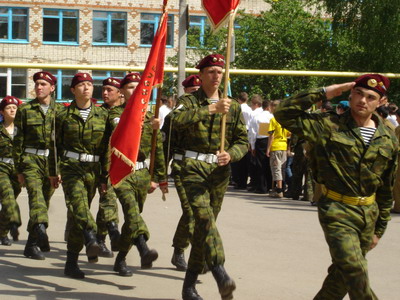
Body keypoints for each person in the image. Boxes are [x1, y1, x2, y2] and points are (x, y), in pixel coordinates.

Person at [275, 74, 398, 299]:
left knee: (341, 277)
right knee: (355, 270)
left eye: (371, 97)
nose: (363, 100)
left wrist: (379, 230)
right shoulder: (327, 125)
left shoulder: (388, 139)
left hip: (368, 215)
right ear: (350, 94)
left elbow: (385, 188)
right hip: (336, 209)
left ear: (381, 102)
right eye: (358, 94)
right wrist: (326, 92)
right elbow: (283, 113)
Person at [172, 54, 248, 300]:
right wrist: (209, 109)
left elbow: (242, 141)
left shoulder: (233, 105)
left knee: (205, 228)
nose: (216, 76)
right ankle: (219, 270)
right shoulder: (189, 101)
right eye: (212, 71)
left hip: (219, 171)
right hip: (192, 167)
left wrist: (232, 154)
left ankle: (189, 286)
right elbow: (174, 122)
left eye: (220, 71)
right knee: (204, 220)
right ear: (202, 75)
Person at [50, 72, 111, 279]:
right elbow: (55, 145)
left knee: (77, 217)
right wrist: (53, 171)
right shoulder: (62, 115)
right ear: (73, 90)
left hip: (93, 170)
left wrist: (104, 177)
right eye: (81, 85)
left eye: (89, 84)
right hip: (71, 167)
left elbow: (106, 150)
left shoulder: (103, 115)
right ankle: (92, 237)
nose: (86, 88)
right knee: (79, 206)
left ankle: (71, 263)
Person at [110, 72, 168, 277]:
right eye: (130, 87)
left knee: (131, 219)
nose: (135, 90)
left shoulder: (149, 117)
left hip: (143, 173)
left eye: (139, 87)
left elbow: (157, 149)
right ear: (122, 92)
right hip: (122, 173)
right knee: (132, 212)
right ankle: (144, 248)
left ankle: (120, 259)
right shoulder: (113, 114)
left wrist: (158, 177)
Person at [13, 71, 61, 260]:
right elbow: (17, 141)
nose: (38, 87)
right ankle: (41, 229)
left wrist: (60, 170)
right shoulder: (25, 110)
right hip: (30, 160)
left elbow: (63, 143)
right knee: (36, 197)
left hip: (51, 162)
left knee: (45, 201)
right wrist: (19, 170)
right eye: (37, 84)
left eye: (43, 84)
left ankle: (31, 245)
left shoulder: (61, 111)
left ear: (52, 88)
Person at [161, 75, 202, 272]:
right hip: (181, 165)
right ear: (185, 92)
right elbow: (165, 146)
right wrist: (159, 175)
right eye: (192, 91)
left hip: (204, 169)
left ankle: (183, 249)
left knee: (201, 213)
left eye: (198, 91)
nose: (196, 95)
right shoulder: (176, 115)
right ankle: (185, 251)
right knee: (190, 210)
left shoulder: (208, 112)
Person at [97, 77, 122, 256]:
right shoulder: (98, 113)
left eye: (109, 90)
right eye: (103, 89)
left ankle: (101, 238)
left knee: (106, 202)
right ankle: (109, 233)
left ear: (119, 92)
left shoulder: (127, 113)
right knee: (106, 201)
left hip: (119, 165)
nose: (105, 93)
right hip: (97, 164)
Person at [0, 96, 22, 246]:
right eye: (9, 107)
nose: (12, 109)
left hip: (17, 170)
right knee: (8, 196)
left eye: (15, 107)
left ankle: (2, 232)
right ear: (2, 112)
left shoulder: (22, 130)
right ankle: (15, 224)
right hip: (1, 167)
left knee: (10, 202)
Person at [248, 99, 273, 193]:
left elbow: (252, 133)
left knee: (260, 164)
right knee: (269, 163)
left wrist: (252, 146)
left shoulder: (257, 117)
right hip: (270, 140)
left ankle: (262, 186)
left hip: (261, 141)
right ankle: (270, 185)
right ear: (268, 107)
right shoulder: (272, 117)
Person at [266, 100, 290, 198]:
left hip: (275, 146)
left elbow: (271, 135)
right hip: (283, 146)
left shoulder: (273, 119)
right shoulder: (285, 119)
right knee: (282, 168)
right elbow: (289, 134)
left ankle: (279, 190)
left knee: (276, 168)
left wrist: (268, 148)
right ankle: (281, 187)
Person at [231, 92, 252, 190]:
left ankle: (237, 180)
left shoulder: (238, 108)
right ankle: (243, 181)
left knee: (237, 159)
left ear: (238, 99)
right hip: (247, 132)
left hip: (238, 132)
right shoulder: (250, 110)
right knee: (245, 160)